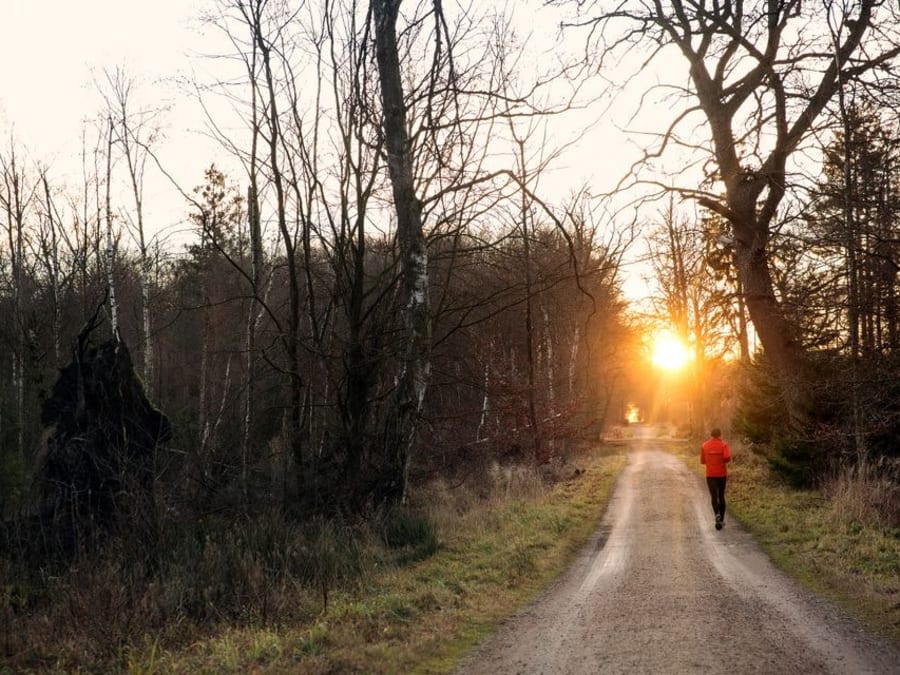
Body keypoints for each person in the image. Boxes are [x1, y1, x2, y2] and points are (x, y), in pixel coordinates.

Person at [700, 427, 732, 530]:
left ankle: (716, 514)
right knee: (721, 495)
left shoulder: (704, 445)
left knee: (714, 496)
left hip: (710, 475)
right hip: (721, 474)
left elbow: (702, 461)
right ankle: (721, 520)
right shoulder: (724, 445)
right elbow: (727, 457)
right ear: (720, 435)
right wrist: (720, 460)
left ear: (711, 435)